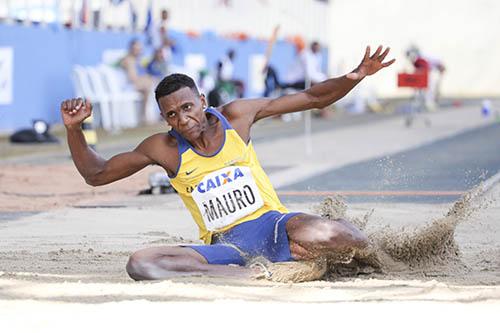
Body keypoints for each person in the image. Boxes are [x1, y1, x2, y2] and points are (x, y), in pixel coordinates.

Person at [60, 45, 395, 281]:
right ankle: (249, 276)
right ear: (165, 119)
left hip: (275, 225)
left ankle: (341, 257)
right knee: (141, 264)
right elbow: (97, 174)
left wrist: (356, 75)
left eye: (188, 108)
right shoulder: (163, 148)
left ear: (202, 101)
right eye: (172, 115)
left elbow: (311, 98)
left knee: (334, 232)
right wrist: (74, 129)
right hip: (227, 246)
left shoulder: (237, 116)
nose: (184, 119)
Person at [119, 39, 154, 124]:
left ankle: (145, 115)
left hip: (135, 84)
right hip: (127, 86)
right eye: (136, 49)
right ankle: (143, 116)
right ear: (131, 49)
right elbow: (133, 79)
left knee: (151, 85)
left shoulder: (138, 60)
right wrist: (146, 79)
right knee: (148, 88)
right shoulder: (129, 60)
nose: (138, 51)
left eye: (139, 49)